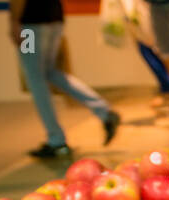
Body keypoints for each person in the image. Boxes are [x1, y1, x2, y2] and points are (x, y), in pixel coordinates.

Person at [11, 0, 120, 158]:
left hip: (31, 26)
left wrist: (14, 21)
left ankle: (56, 139)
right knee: (49, 72)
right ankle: (104, 110)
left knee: (35, 78)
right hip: (55, 20)